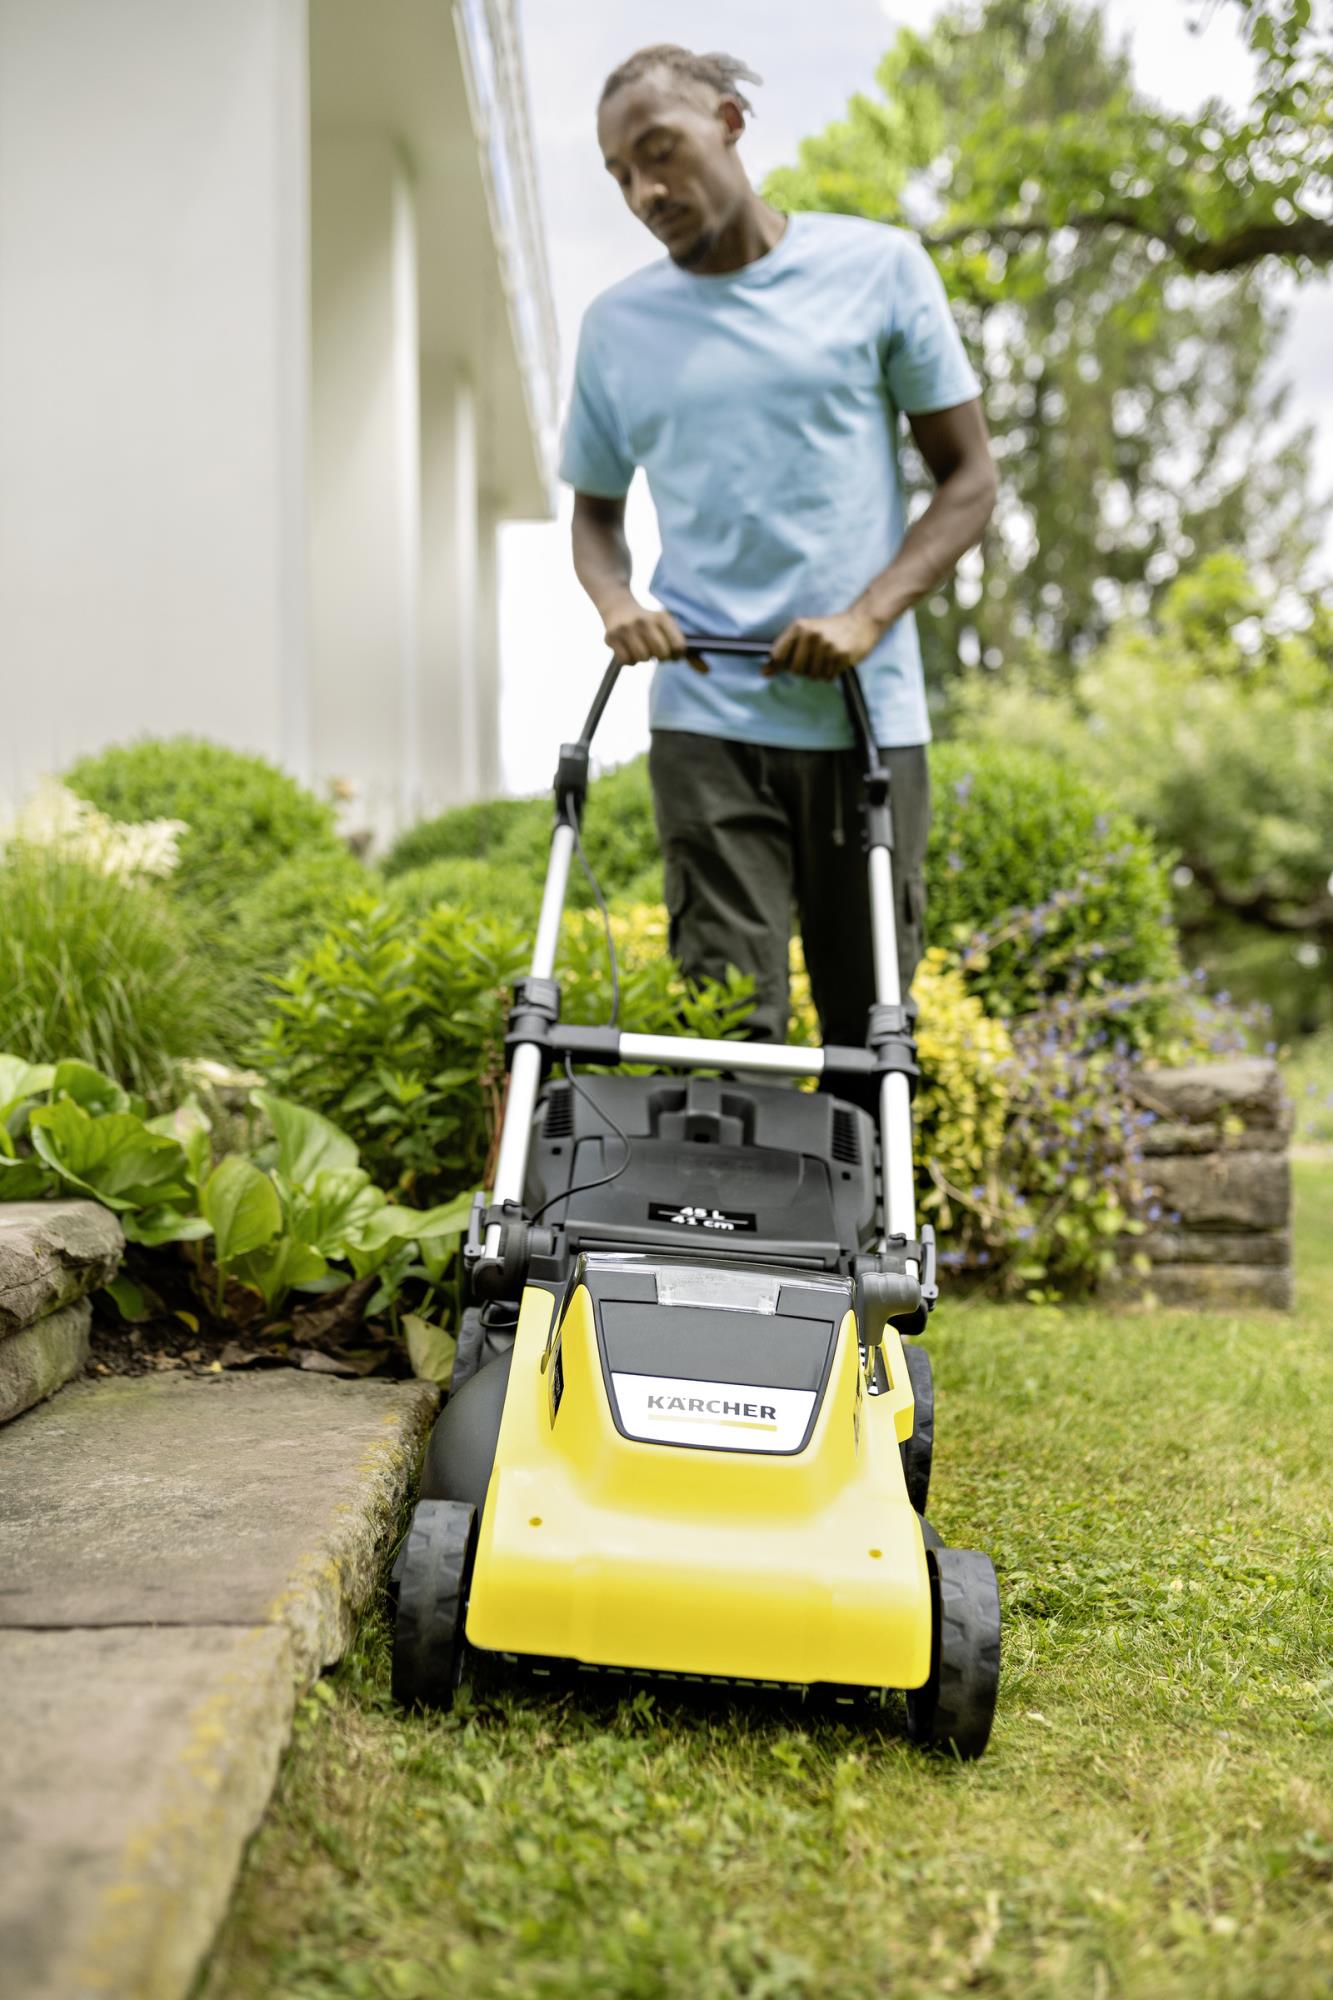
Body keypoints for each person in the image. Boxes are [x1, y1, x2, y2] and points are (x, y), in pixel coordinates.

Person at [560, 43, 997, 1088]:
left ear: (729, 122)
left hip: (864, 714)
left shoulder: (879, 269)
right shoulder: (618, 328)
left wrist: (867, 614)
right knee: (726, 1035)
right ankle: (731, 1252)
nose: (644, 190)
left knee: (871, 1036)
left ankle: (866, 1247)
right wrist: (615, 598)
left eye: (658, 152)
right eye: (620, 174)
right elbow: (593, 514)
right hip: (706, 719)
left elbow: (969, 479)